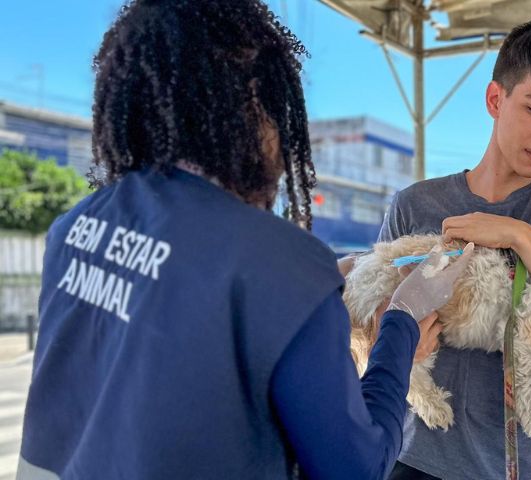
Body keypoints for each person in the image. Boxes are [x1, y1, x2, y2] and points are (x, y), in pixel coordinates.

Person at [16, 1, 474, 479]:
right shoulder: (283, 267)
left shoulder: (73, 229)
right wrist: (400, 326)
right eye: (277, 110)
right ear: (252, 109)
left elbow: (178, 311)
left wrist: (319, 286)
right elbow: (354, 468)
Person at [344, 17, 531, 480]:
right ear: (495, 99)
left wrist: (520, 236)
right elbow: (373, 326)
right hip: (412, 459)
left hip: (515, 466)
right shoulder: (417, 204)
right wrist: (387, 321)